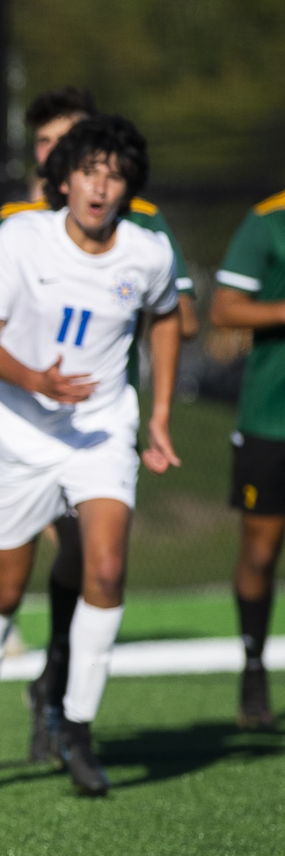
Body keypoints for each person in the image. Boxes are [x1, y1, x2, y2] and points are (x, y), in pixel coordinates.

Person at [0, 87, 200, 765]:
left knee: (109, 569)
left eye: (115, 174)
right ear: (64, 178)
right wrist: (35, 380)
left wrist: (158, 416)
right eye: (90, 171)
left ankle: (76, 727)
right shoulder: (20, 237)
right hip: (21, 431)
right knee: (4, 589)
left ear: (128, 188)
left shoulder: (148, 254)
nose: (101, 186)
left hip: (101, 430)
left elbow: (169, 320)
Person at [210, 188, 285, 729]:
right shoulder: (267, 220)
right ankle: (254, 663)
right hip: (271, 418)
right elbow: (224, 310)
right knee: (261, 551)